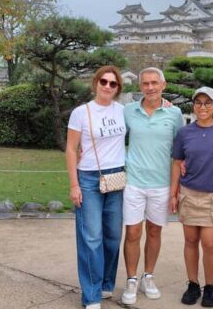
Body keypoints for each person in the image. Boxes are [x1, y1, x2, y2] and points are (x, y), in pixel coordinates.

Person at [120, 67, 184, 305]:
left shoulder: (174, 113)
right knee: (132, 233)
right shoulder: (128, 111)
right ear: (140, 86)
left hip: (161, 184)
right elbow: (114, 136)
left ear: (163, 85)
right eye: (145, 83)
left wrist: (176, 188)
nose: (150, 87)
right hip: (133, 182)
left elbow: (180, 151)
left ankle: (148, 276)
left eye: (154, 83)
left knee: (155, 232)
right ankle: (131, 279)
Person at [66, 65, 127, 309]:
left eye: (113, 83)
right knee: (91, 237)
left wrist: (164, 102)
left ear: (118, 88)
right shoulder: (81, 112)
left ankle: (105, 283)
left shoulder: (123, 110)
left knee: (113, 237)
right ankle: (91, 295)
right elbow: (71, 149)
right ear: (96, 83)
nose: (107, 86)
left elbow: (148, 109)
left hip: (116, 177)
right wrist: (74, 184)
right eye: (104, 81)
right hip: (89, 178)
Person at [170, 87, 213, 307]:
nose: (202, 107)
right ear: (193, 106)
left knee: (209, 244)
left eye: (207, 103)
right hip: (189, 193)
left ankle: (210, 287)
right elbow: (177, 163)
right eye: (198, 103)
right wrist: (173, 194)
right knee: (190, 241)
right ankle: (193, 284)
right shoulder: (184, 133)